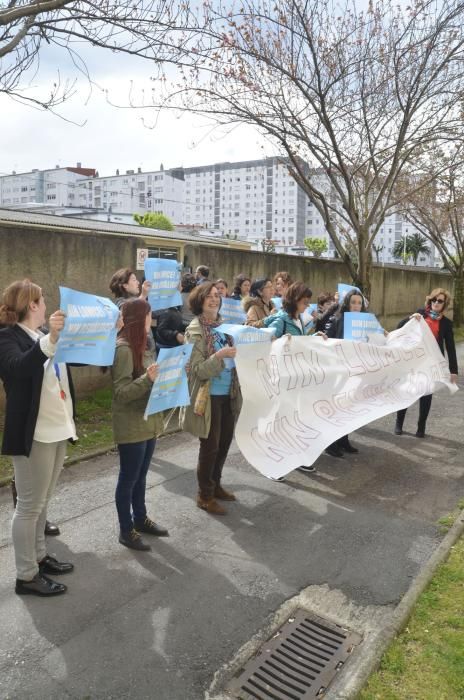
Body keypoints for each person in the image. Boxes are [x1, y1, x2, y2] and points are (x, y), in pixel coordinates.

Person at [0, 280, 76, 597]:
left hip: (57, 428)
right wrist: (52, 340)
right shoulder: (7, 337)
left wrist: (105, 334)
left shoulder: (43, 336)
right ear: (32, 304)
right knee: (29, 507)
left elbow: (74, 361)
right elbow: (18, 368)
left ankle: (40, 557)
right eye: (42, 299)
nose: (45, 304)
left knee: (42, 502)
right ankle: (26, 575)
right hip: (34, 433)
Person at [111, 298, 169, 551]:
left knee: (141, 476)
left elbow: (152, 379)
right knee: (128, 479)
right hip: (132, 425)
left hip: (148, 422)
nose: (152, 319)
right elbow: (121, 393)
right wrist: (149, 378)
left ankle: (140, 519)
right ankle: (126, 530)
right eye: (148, 315)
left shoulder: (144, 345)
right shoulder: (123, 349)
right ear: (138, 318)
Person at [181, 282, 241, 515]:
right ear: (200, 301)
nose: (214, 300)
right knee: (210, 447)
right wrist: (220, 355)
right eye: (209, 297)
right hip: (208, 398)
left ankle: (215, 486)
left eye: (217, 295)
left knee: (224, 443)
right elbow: (196, 370)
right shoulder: (195, 331)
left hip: (229, 393)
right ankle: (204, 495)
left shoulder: (226, 327)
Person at [264, 282, 317, 476]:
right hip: (282, 379)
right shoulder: (282, 319)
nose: (307, 305)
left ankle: (297, 458)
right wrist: (279, 341)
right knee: (280, 421)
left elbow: (300, 342)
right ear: (294, 300)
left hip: (296, 378)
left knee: (295, 419)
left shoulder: (299, 320)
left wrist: (314, 337)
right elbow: (267, 341)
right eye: (305, 301)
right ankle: (273, 465)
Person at [394, 288, 458, 438]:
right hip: (414, 361)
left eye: (440, 301)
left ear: (444, 304)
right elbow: (400, 328)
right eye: (434, 300)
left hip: (432, 364)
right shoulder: (420, 314)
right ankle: (399, 423)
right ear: (430, 301)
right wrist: (410, 318)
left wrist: (453, 371)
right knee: (407, 391)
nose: (436, 303)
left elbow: (451, 347)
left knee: (426, 394)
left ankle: (421, 426)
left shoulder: (447, 324)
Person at [324, 290, 366, 457]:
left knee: (348, 407)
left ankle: (343, 440)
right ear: (347, 303)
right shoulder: (337, 319)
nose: (356, 306)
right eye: (353, 302)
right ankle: (331, 443)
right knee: (336, 407)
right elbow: (326, 341)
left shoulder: (365, 322)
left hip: (355, 371)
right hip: (338, 371)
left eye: (359, 303)